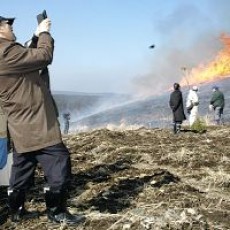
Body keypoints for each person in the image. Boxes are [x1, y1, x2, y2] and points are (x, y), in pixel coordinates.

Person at [0, 15, 84, 224]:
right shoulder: (5, 51)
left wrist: (35, 36)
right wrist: (45, 32)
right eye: (8, 24)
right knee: (59, 163)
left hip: (21, 127)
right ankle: (57, 212)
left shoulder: (7, 53)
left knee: (21, 171)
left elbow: (26, 56)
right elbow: (44, 56)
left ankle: (17, 213)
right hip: (37, 124)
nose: (11, 26)